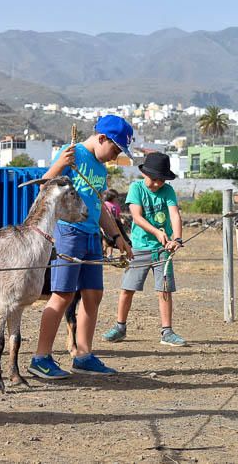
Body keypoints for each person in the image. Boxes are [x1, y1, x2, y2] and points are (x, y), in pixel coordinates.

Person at [28, 115, 134, 379]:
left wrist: (117, 236)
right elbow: (43, 188)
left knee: (93, 294)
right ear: (102, 139)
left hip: (91, 237)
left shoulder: (99, 169)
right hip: (69, 233)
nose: (114, 156)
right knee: (63, 295)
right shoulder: (71, 155)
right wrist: (58, 167)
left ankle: (83, 355)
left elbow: (98, 207)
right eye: (115, 149)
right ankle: (40, 357)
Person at [102, 152, 187, 347]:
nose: (158, 183)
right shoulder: (136, 188)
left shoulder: (168, 191)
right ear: (145, 174)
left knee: (164, 289)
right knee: (127, 288)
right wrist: (157, 232)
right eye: (154, 179)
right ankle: (120, 327)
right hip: (139, 248)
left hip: (162, 250)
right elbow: (137, 217)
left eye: (162, 180)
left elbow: (174, 215)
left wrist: (177, 238)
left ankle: (167, 331)